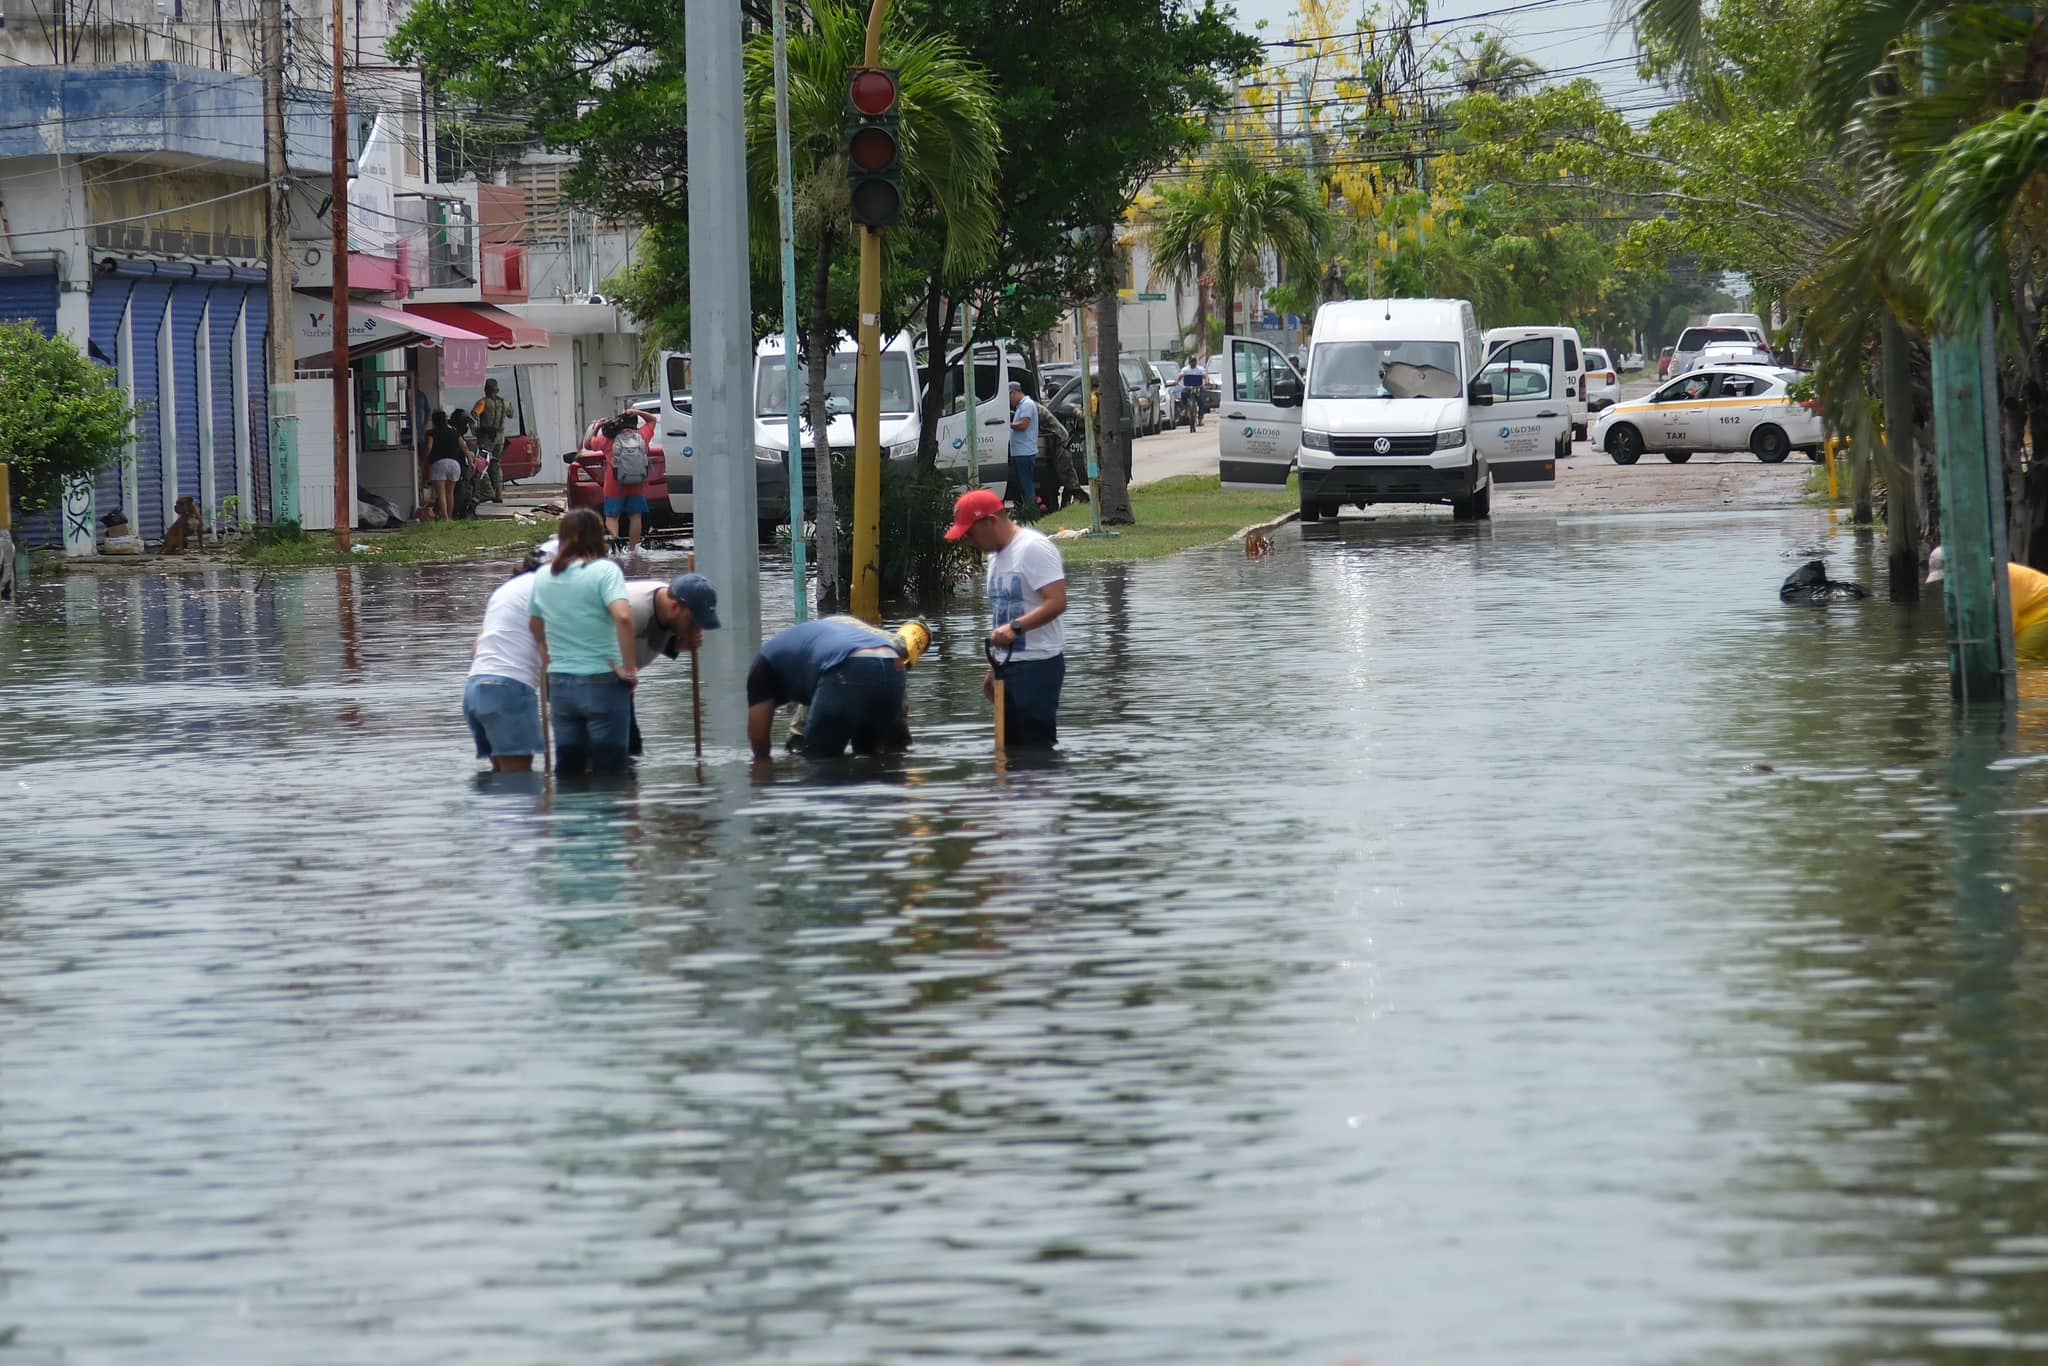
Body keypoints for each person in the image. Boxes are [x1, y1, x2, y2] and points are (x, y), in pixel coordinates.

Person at [945, 487, 1069, 748]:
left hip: (1038, 665)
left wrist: (1016, 628)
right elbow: (1002, 612)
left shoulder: (1033, 548)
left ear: (991, 521)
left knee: (1035, 749)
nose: (969, 541)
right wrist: (994, 667)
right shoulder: (995, 558)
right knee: (1008, 750)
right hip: (1006, 667)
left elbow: (1057, 601)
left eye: (971, 532)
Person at [528, 509, 638, 775]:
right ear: (598, 537)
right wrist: (629, 668)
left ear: (563, 538)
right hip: (603, 680)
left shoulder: (543, 575)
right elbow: (623, 617)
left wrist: (550, 655)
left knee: (569, 771)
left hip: (561, 684)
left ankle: (570, 814)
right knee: (610, 772)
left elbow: (535, 624)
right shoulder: (605, 571)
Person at [747, 617, 915, 760]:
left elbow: (759, 739)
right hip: (892, 662)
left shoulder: (761, 670)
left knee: (821, 762)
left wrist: (762, 781)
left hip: (847, 665)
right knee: (879, 759)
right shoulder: (798, 649)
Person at [465, 546, 549, 772]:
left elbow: (476, 649)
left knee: (501, 783)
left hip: (475, 688)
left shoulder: (504, 591)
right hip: (509, 690)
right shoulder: (546, 588)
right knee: (518, 788)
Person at [619, 571, 721, 754]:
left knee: (631, 749)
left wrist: (679, 643)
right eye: (693, 622)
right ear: (675, 607)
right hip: (597, 679)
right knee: (618, 751)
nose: (696, 629)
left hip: (624, 682)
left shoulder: (668, 608)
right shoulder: (633, 609)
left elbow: (652, 636)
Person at [1926, 545, 2048, 657]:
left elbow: (2007, 626)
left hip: (2043, 610)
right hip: (2033, 611)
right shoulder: (1978, 578)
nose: (1945, 585)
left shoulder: (1991, 581)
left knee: (2017, 658)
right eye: (1942, 582)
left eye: (1946, 580)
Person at [603, 412, 652, 553]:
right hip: (637, 483)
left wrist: (597, 426)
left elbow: (588, 443)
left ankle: (616, 548)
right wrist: (638, 412)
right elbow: (652, 420)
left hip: (614, 486)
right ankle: (632, 550)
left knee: (612, 517)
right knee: (635, 516)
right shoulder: (642, 435)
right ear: (635, 423)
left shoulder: (608, 440)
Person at [420, 409, 464, 523]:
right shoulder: (454, 432)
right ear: (445, 420)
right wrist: (471, 460)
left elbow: (429, 447)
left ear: (434, 421)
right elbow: (464, 446)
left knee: (441, 494)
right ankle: (450, 517)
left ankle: (445, 518)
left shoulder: (431, 433)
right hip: (454, 464)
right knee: (450, 493)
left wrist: (423, 460)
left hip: (439, 464)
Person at [473, 378, 510, 502]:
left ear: (486, 390)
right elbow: (511, 414)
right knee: (496, 464)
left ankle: (489, 491)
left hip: (486, 437)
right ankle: (499, 493)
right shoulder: (505, 402)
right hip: (500, 438)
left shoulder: (483, 402)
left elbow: (474, 415)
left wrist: (476, 429)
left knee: (482, 464)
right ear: (497, 389)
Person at [1006, 380, 1040, 519]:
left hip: (1025, 452)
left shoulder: (1027, 405)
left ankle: (1030, 513)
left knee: (1027, 485)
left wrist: (1009, 425)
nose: (1009, 401)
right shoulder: (1021, 406)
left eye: (1009, 397)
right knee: (1022, 484)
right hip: (1020, 452)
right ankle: (1025, 512)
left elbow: (1024, 424)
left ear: (1015, 393)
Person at [1176, 355, 1206, 429]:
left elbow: (1205, 376)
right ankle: (1186, 409)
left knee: (1201, 402)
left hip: (1198, 388)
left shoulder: (1200, 369)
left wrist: (1207, 381)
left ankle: (1200, 419)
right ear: (1189, 362)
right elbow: (1180, 375)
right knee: (1183, 393)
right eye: (1192, 361)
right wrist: (1176, 381)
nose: (1193, 363)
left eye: (1194, 361)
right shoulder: (1185, 369)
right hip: (1188, 388)